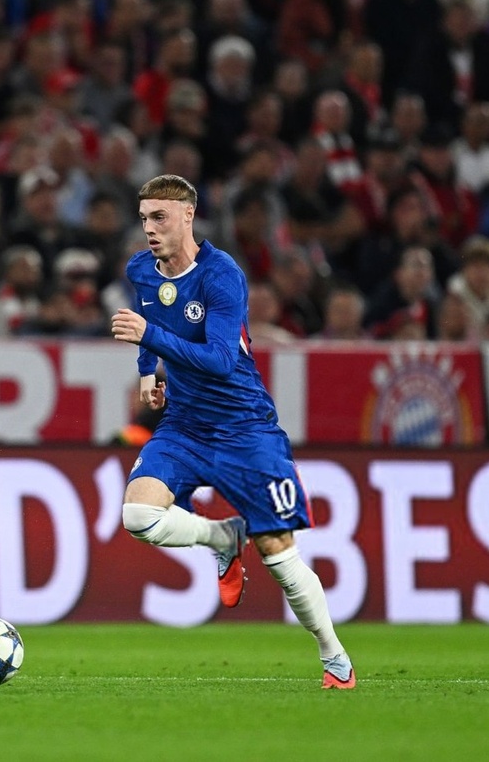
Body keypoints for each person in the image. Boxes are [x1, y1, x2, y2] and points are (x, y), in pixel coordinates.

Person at [109, 174, 354, 690]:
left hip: (244, 428)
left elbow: (221, 360)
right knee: (137, 515)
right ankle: (222, 535)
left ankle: (334, 656)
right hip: (184, 425)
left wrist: (149, 335)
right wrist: (148, 373)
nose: (149, 228)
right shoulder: (141, 269)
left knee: (279, 555)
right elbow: (149, 322)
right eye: (145, 217)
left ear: (188, 216)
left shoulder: (222, 276)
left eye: (159, 217)